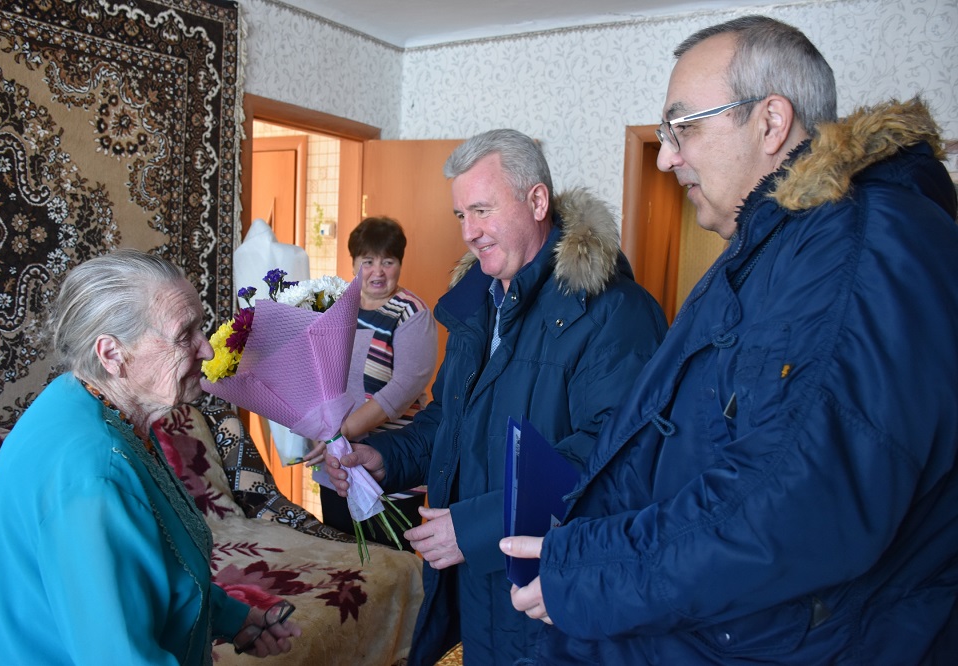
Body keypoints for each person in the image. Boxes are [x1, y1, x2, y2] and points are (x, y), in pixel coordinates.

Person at [502, 15, 958, 663]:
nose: (665, 157)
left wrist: (590, 568)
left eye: (683, 127)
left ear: (771, 122)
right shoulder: (769, 250)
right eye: (663, 135)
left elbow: (794, 502)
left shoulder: (857, 250)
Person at [326, 129, 668, 664]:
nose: (468, 232)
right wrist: (385, 456)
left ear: (537, 201)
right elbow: (449, 417)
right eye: (461, 215)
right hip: (478, 584)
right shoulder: (476, 304)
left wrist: (479, 526)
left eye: (481, 210)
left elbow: (617, 458)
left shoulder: (613, 312)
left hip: (550, 592)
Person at [0, 249, 301, 664]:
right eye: (185, 334)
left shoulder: (87, 403)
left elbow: (155, 562)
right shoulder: (94, 474)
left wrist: (234, 618)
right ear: (111, 354)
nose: (205, 350)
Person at [311, 216, 438, 547]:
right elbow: (318, 378)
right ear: (354, 262)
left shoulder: (412, 313)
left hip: (391, 469)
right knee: (342, 567)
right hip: (337, 468)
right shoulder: (337, 307)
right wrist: (320, 433)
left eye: (388, 261)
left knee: (389, 570)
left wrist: (341, 433)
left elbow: (401, 391)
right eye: (368, 261)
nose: (378, 271)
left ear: (399, 264)